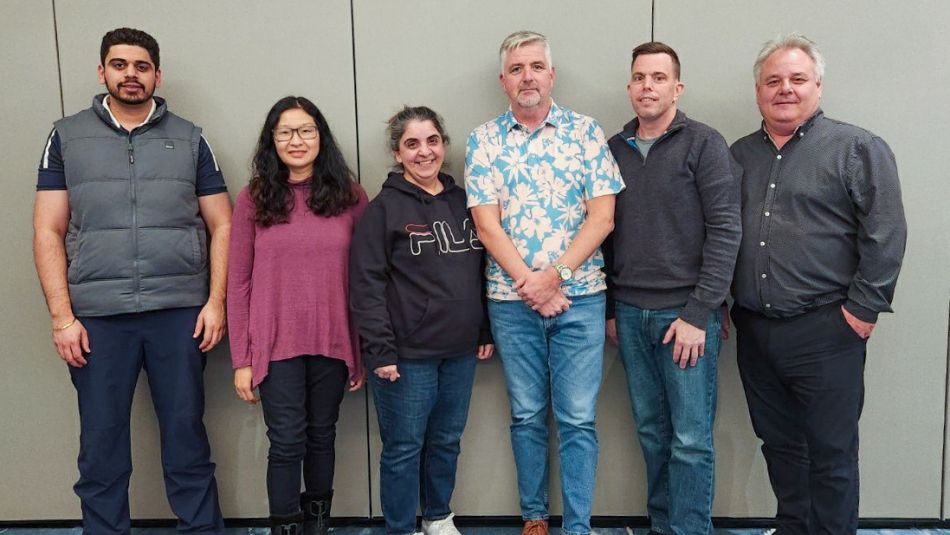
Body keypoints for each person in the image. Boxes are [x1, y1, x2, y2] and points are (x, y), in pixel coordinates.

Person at [32, 27, 230, 534]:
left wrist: (215, 303)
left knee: (186, 437)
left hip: (179, 312)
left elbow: (223, 224)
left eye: (141, 66)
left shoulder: (189, 137)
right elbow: (47, 228)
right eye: (119, 65)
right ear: (102, 72)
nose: (131, 75)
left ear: (157, 75)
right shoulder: (66, 135)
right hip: (97, 317)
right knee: (101, 445)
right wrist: (61, 318)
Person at [730, 33, 906, 535]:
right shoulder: (738, 154)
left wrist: (862, 311)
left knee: (831, 454)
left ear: (818, 85)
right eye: (773, 80)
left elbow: (887, 231)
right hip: (756, 331)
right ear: (759, 90)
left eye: (797, 79)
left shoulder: (857, 148)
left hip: (827, 331)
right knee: (780, 446)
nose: (785, 88)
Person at [465, 30, 624, 535]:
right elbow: (486, 225)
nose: (527, 76)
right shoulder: (483, 140)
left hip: (580, 301)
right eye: (517, 69)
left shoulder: (586, 132)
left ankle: (577, 526)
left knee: (578, 419)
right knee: (528, 415)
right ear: (503, 80)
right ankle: (534, 517)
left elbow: (602, 219)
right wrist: (528, 284)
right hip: (511, 305)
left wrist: (552, 279)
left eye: (536, 66)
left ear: (551, 75)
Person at [603, 41, 741, 535]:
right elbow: (605, 234)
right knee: (652, 434)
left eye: (659, 78)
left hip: (685, 317)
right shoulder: (613, 149)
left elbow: (727, 230)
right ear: (629, 87)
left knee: (690, 440)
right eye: (640, 77)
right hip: (631, 315)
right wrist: (611, 312)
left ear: (677, 87)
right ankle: (665, 526)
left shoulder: (704, 144)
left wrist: (699, 312)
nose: (648, 86)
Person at [350, 106, 494, 535]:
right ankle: (399, 526)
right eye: (412, 144)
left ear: (444, 146)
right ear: (397, 153)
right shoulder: (383, 210)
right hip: (406, 355)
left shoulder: (464, 201)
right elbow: (366, 284)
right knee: (403, 447)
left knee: (446, 442)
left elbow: (480, 271)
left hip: (460, 351)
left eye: (432, 141)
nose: (424, 151)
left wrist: (483, 329)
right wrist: (380, 350)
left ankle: (436, 516)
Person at [228, 96, 367, 535]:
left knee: (322, 436)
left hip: (334, 340)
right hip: (275, 344)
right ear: (272, 140)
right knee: (287, 441)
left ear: (320, 136)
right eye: (286, 131)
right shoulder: (255, 198)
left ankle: (318, 526)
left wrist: (361, 350)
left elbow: (368, 276)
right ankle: (285, 527)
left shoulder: (350, 195)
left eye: (306, 130)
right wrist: (242, 359)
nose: (297, 140)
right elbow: (239, 281)